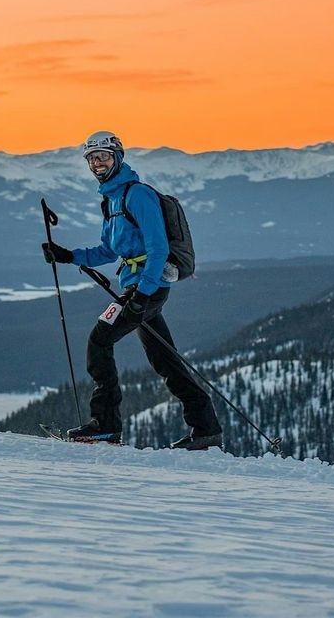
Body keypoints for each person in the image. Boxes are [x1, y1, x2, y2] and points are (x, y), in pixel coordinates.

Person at [41, 131, 222, 450]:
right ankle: (206, 429)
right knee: (165, 359)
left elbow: (157, 247)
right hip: (138, 286)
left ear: (118, 158)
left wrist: (141, 296)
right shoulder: (111, 199)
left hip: (146, 287)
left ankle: (106, 425)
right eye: (92, 159)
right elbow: (109, 250)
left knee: (100, 339)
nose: (98, 163)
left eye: (104, 157)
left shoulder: (136, 195)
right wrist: (69, 256)